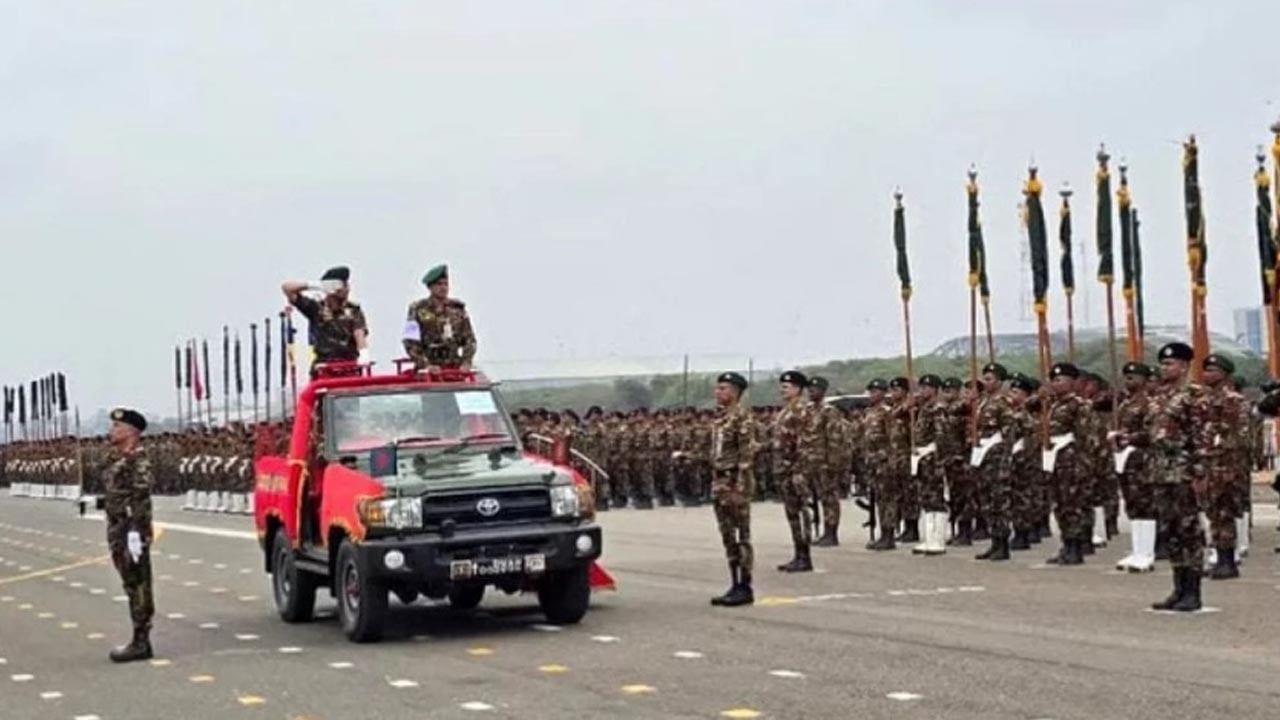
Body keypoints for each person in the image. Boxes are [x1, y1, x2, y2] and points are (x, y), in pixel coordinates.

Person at [1148, 342, 1207, 612]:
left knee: (1189, 531)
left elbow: (1201, 436)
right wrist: (1128, 439)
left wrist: (1199, 472)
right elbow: (1156, 435)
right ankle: (1178, 587)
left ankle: (1193, 591)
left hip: (1183, 472)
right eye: (1162, 363)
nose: (1164, 368)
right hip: (1161, 471)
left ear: (1184, 366)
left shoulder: (1194, 396)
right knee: (1170, 531)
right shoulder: (1159, 397)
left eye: (1170, 364)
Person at [102, 408, 156, 662]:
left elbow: (141, 497)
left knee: (138, 583)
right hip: (118, 528)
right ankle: (139, 638)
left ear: (131, 432)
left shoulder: (138, 459)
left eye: (117, 427)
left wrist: (136, 531)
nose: (112, 431)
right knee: (130, 582)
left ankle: (141, 641)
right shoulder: (119, 458)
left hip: (130, 530)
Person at [708, 372, 757, 607]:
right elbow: (716, 454)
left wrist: (739, 487)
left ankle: (745, 586)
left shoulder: (741, 418)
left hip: (734, 484)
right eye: (718, 388)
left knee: (741, 537)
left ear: (736, 392)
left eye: (724, 388)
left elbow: (746, 455)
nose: (718, 393)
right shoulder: (721, 419)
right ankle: (734, 583)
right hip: (720, 484)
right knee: (728, 537)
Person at [281, 266, 369, 369]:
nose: (347, 288)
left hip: (348, 366)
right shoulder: (316, 308)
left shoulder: (354, 310)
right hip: (324, 367)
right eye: (342, 285)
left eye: (346, 285)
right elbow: (287, 288)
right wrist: (317, 285)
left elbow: (359, 333)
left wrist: (364, 353)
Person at [773, 371, 814, 572]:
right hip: (784, 468)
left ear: (797, 388)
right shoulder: (786, 411)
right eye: (781, 386)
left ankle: (804, 555)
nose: (782, 390)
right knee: (792, 513)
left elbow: (805, 443)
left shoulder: (800, 411)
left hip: (796, 469)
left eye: (786, 386)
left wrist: (800, 470)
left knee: (801, 512)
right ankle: (798, 553)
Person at [403, 264, 477, 372]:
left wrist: (466, 361)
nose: (443, 288)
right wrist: (425, 364)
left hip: (455, 368)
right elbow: (410, 342)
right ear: (430, 287)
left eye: (445, 284)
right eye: (439, 284)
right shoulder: (417, 309)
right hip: (428, 369)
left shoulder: (457, 309)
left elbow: (470, 340)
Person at [806, 376, 844, 547]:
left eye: (815, 389)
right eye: (810, 389)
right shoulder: (808, 410)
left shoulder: (829, 411)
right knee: (821, 498)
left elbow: (834, 438)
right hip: (812, 461)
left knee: (830, 498)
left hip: (826, 462)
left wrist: (833, 463)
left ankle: (831, 532)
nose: (811, 391)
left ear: (823, 391)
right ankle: (824, 530)